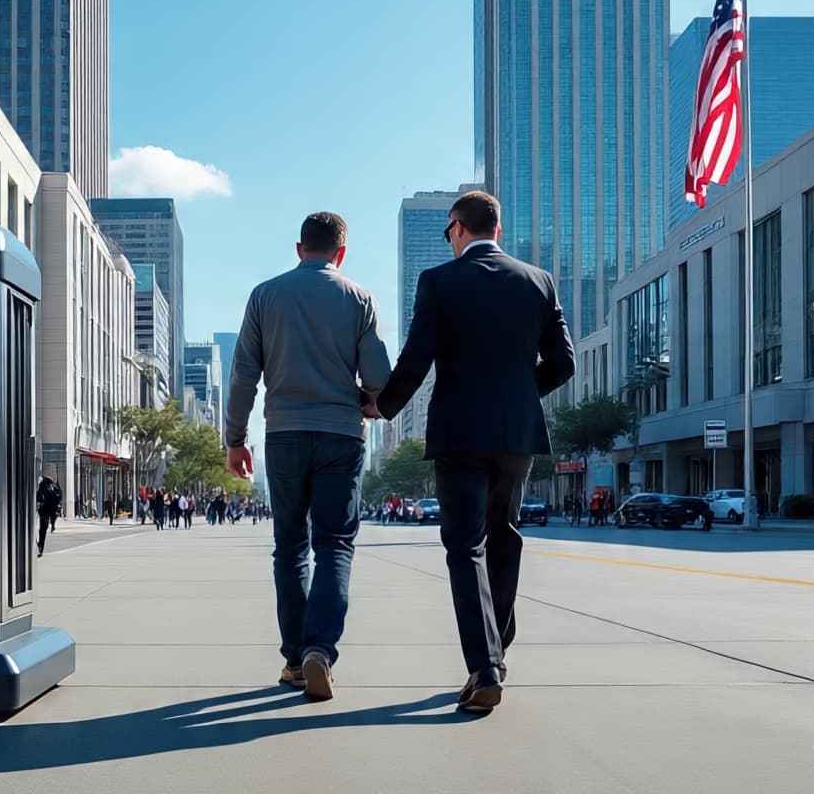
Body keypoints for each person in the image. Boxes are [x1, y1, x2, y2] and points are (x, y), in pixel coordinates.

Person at [370, 190, 574, 714]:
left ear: (458, 228)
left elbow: (416, 358)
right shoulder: (539, 281)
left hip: (460, 430)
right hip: (516, 431)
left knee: (466, 546)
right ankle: (497, 653)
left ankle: (483, 668)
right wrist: (520, 395)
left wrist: (382, 406)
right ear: (498, 231)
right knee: (505, 536)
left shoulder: (439, 281)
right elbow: (563, 363)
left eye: (448, 232)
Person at [224, 211, 392, 702]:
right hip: (342, 435)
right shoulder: (359, 298)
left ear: (299, 248)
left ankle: (295, 659)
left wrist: (236, 439)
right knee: (335, 544)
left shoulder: (265, 295)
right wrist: (371, 402)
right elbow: (378, 375)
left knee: (290, 547)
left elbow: (241, 376)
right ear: (341, 254)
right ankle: (321, 648)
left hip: (284, 436)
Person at [36, 473, 63, 557]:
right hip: (51, 511)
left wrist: (39, 504)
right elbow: (59, 499)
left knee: (42, 530)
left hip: (45, 511)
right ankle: (40, 546)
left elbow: (39, 497)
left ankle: (40, 547)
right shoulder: (55, 487)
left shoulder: (43, 486)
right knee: (43, 530)